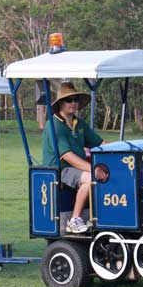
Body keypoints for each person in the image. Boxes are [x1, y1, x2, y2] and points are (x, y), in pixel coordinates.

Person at [42, 82, 106, 234]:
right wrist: (93, 169)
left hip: (76, 168)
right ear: (60, 104)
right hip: (60, 169)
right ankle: (74, 220)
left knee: (102, 177)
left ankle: (93, 217)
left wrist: (124, 147)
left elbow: (100, 143)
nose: (73, 103)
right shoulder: (54, 125)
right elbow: (67, 156)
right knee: (92, 177)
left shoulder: (79, 123)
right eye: (69, 100)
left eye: (75, 100)